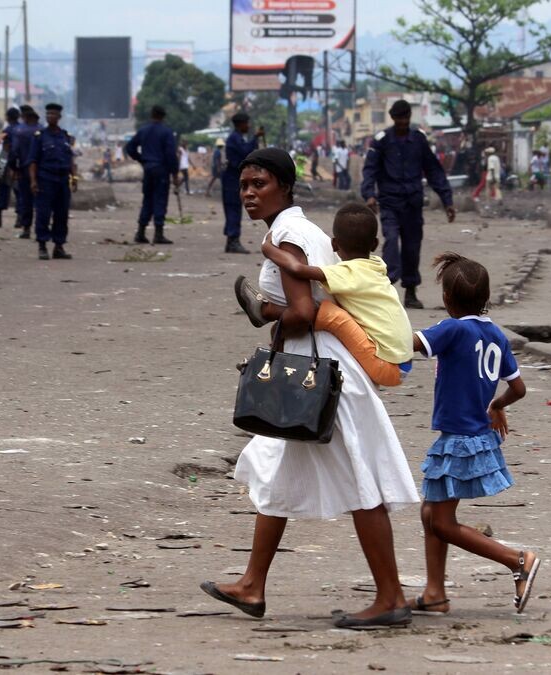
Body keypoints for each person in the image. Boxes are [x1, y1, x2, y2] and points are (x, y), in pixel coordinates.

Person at [203, 148, 420, 628]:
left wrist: (264, 313)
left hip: (320, 378)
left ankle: (390, 597)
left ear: (284, 185)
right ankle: (252, 585)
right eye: (244, 186)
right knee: (276, 469)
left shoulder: (287, 235)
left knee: (362, 482)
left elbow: (302, 313)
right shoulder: (303, 230)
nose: (249, 194)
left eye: (259, 184)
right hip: (318, 370)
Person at [409, 252, 538, 616]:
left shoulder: (453, 329)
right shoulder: (495, 334)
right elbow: (519, 389)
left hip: (459, 439)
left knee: (441, 521)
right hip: (476, 436)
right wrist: (497, 405)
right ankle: (434, 593)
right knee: (429, 512)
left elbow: (413, 343)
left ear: (447, 299)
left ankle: (517, 559)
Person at [254, 201, 413, 387]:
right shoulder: (376, 265)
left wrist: (269, 249)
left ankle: (268, 312)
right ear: (375, 244)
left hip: (387, 366)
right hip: (403, 363)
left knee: (326, 311)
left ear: (334, 244)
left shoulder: (347, 272)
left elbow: (297, 269)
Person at [361, 99, 456, 310]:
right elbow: (370, 170)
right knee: (392, 243)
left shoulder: (418, 140)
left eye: (406, 118)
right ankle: (386, 288)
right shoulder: (382, 141)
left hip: (412, 203)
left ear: (409, 118)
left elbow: (433, 170)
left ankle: (411, 292)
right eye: (399, 118)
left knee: (412, 249)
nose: (403, 122)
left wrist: (447, 200)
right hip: (390, 203)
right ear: (393, 118)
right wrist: (369, 195)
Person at [125, 105, 178, 245]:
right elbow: (171, 155)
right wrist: (175, 173)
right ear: (163, 116)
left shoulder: (143, 130)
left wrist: (142, 159)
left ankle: (141, 232)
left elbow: (130, 147)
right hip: (161, 170)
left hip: (148, 169)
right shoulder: (167, 132)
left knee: (147, 200)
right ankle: (158, 234)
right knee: (160, 200)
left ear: (151, 114)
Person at [29, 102, 76, 261]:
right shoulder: (40, 136)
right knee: (43, 213)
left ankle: (59, 246)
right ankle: (42, 245)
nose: (50, 117)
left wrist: (74, 177)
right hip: (45, 179)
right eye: (48, 114)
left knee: (62, 214)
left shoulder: (65, 136)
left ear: (59, 117)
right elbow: (33, 161)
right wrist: (33, 181)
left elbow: (70, 159)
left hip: (62, 180)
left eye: (53, 114)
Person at [222, 112, 261, 254]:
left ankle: (231, 241)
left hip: (234, 178)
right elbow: (246, 151)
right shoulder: (235, 138)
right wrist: (256, 137)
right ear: (240, 124)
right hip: (232, 178)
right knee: (233, 209)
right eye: (246, 123)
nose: (248, 126)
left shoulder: (237, 138)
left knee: (234, 209)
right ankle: (233, 241)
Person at [10, 105, 40, 239]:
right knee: (41, 201)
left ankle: (26, 228)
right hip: (40, 172)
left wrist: (14, 169)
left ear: (26, 117)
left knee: (25, 200)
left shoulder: (19, 131)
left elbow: (14, 152)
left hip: (23, 170)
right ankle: (41, 228)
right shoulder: (42, 130)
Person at [0, 107, 20, 228]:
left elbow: (3, 146)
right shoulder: (21, 129)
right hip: (19, 161)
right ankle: (19, 219)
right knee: (19, 191)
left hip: (6, 159)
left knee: (2, 189)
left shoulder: (7, 130)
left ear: (7, 117)